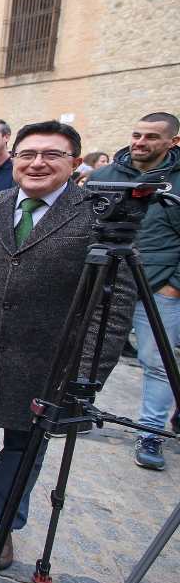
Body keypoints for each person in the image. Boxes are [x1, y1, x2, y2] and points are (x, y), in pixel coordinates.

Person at [0, 121, 133, 569]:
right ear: (15, 158)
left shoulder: (98, 215)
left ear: (75, 164)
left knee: (25, 448)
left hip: (45, 362)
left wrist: (88, 374)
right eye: (28, 154)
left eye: (52, 155)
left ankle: (2, 522)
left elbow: (115, 302)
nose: (37, 163)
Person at [87, 112, 180, 470]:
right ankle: (78, 409)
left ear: (171, 142)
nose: (140, 142)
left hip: (158, 284)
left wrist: (175, 286)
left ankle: (151, 430)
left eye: (151, 137)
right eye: (137, 135)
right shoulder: (106, 176)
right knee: (90, 348)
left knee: (156, 362)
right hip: (107, 277)